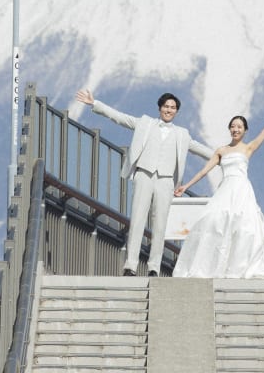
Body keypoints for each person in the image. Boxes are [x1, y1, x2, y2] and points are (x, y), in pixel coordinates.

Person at [75, 88, 212, 276]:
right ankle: (130, 265)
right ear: (159, 108)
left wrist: (226, 156)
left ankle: (154, 267)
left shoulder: (182, 134)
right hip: (144, 175)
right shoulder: (145, 123)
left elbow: (200, 149)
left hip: (165, 181)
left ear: (176, 112)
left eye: (172, 108)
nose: (169, 110)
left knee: (160, 224)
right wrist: (95, 104)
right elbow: (120, 118)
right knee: (137, 220)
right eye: (166, 106)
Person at [172, 109, 264, 279]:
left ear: (245, 130)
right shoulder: (221, 151)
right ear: (229, 129)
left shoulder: (248, 148)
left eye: (239, 127)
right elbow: (204, 171)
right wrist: (186, 186)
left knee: (245, 227)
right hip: (226, 189)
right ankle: (212, 265)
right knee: (213, 221)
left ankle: (239, 266)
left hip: (242, 190)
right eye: (233, 126)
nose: (236, 129)